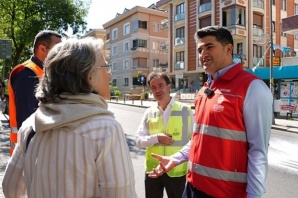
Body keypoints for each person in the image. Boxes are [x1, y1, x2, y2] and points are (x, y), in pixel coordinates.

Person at [2, 37, 137, 198]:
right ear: (88, 76)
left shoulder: (31, 125)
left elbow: (10, 189)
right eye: (105, 66)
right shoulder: (105, 128)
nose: (109, 74)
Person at [147, 26, 273, 198]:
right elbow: (199, 139)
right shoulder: (204, 91)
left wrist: (254, 195)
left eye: (209, 47)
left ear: (229, 49)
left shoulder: (252, 87)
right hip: (192, 189)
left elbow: (258, 151)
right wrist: (175, 159)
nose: (203, 54)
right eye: (200, 49)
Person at [136, 70, 194, 198]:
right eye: (153, 87)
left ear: (169, 87)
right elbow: (138, 141)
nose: (157, 90)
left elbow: (195, 140)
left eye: (160, 85)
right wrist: (157, 138)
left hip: (176, 170)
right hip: (153, 170)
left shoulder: (186, 110)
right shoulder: (149, 112)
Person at [8, 30, 62, 155]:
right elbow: (28, 120)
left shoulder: (43, 72)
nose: (62, 53)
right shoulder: (27, 72)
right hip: (27, 153)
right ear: (42, 49)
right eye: (58, 48)